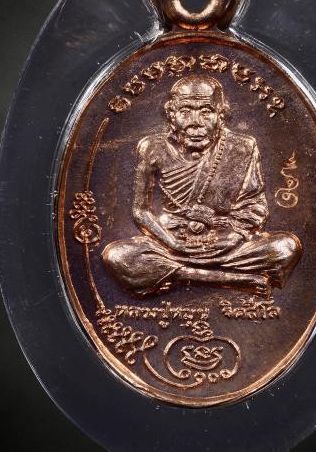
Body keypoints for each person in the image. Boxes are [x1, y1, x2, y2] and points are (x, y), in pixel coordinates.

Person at [102, 75, 301, 297]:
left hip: (225, 243)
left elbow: (255, 206)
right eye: (185, 111)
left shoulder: (242, 147)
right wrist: (173, 244)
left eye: (206, 112)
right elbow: (141, 211)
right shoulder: (152, 147)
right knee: (118, 256)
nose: (195, 122)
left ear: (220, 115)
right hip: (172, 242)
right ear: (172, 115)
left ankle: (179, 275)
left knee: (285, 247)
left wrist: (233, 237)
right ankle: (233, 279)